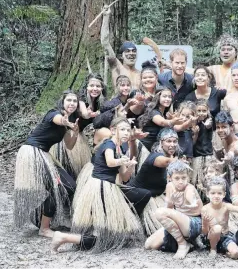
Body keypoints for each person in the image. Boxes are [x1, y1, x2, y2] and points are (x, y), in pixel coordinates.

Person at [51, 118, 151, 253]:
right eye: (122, 130)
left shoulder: (119, 148)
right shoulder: (109, 145)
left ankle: (121, 227)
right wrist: (121, 160)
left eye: (128, 130)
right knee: (107, 239)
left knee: (142, 196)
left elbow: (124, 177)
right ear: (113, 130)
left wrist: (130, 167)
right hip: (100, 188)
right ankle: (64, 237)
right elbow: (110, 162)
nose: (126, 133)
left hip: (110, 188)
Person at [14, 90, 79, 238]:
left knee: (70, 186)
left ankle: (38, 215)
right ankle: (44, 228)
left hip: (44, 154)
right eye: (69, 100)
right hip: (33, 152)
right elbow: (58, 119)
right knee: (60, 187)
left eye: (75, 101)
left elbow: (69, 145)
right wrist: (65, 121)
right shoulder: (54, 113)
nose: (72, 103)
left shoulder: (69, 122)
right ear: (62, 102)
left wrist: (74, 131)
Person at [127, 128, 182, 235]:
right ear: (161, 143)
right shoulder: (156, 157)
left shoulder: (170, 157)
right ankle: (132, 222)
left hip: (154, 197)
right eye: (168, 141)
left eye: (175, 141)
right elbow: (165, 162)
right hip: (138, 196)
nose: (172, 144)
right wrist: (178, 162)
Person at [144, 160, 203, 260]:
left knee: (159, 212)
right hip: (178, 222)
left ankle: (183, 244)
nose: (181, 181)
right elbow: (169, 209)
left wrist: (192, 203)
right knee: (149, 245)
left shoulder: (189, 187)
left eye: (184, 178)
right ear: (170, 178)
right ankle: (186, 242)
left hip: (193, 223)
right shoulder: (169, 186)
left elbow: (190, 199)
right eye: (177, 178)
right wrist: (171, 200)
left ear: (188, 177)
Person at [50, 73, 106, 177]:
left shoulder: (100, 102)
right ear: (87, 87)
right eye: (92, 86)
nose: (95, 89)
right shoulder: (80, 99)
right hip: (68, 136)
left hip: (79, 135)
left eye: (98, 86)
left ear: (102, 88)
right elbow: (84, 113)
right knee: (68, 168)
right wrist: (89, 114)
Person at [201, 176, 238, 259]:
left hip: (225, 237)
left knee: (236, 253)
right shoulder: (205, 209)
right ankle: (213, 249)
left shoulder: (226, 206)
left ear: (224, 194)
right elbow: (204, 232)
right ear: (207, 194)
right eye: (213, 193)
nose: (216, 196)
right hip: (210, 238)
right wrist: (205, 222)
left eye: (219, 193)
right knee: (217, 228)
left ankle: (225, 251)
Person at [101, 6, 140, 90]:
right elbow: (105, 42)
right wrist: (106, 17)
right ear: (121, 56)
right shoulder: (117, 67)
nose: (131, 53)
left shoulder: (141, 74)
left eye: (133, 51)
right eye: (127, 51)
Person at [191, 99, 215, 186]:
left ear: (208, 111)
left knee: (208, 177)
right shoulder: (193, 122)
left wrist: (206, 125)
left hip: (207, 154)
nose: (201, 113)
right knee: (196, 180)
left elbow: (209, 126)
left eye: (204, 111)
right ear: (195, 111)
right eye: (199, 110)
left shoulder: (209, 120)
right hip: (196, 154)